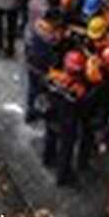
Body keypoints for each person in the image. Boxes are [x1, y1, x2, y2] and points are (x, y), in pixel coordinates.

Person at [44, 49, 89, 185]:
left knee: (50, 138)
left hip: (51, 115)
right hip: (67, 123)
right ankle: (63, 176)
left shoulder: (54, 78)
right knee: (66, 149)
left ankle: (48, 158)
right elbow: (83, 106)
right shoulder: (76, 91)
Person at [24, 5, 63, 122]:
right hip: (43, 67)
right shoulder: (50, 36)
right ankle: (42, 112)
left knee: (32, 90)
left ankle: (30, 112)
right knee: (44, 91)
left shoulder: (37, 24)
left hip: (32, 63)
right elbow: (56, 41)